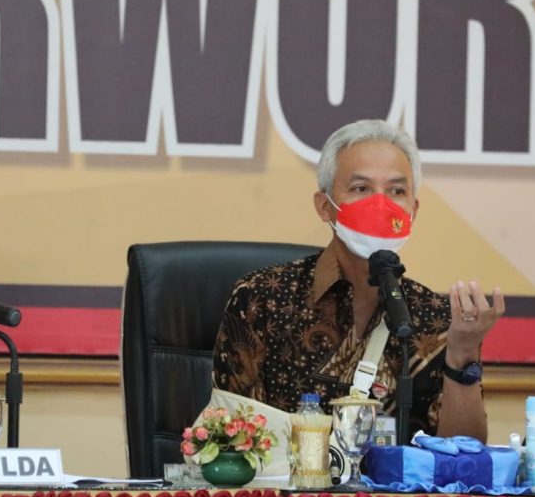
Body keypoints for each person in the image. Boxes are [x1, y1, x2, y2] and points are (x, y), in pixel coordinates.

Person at [212, 119, 502, 440]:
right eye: (361, 188)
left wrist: (463, 354)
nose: (380, 204)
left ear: (413, 210)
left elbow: (464, 453)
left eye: (396, 191)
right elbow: (230, 439)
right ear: (325, 207)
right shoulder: (261, 299)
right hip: (286, 474)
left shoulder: (437, 317)